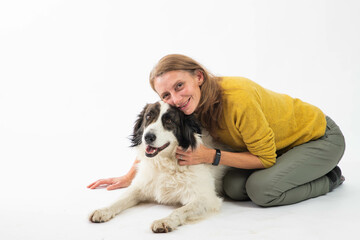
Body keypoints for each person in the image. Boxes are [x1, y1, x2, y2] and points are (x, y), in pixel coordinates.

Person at [87, 54, 345, 207]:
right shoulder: (188, 105)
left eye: (179, 86)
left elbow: (266, 159)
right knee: (232, 188)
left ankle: (329, 177)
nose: (175, 98)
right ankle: (298, 172)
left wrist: (210, 156)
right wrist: (129, 175)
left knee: (262, 191)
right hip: (275, 148)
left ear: (198, 77)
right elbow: (157, 137)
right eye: (166, 94)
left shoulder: (238, 98)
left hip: (316, 138)